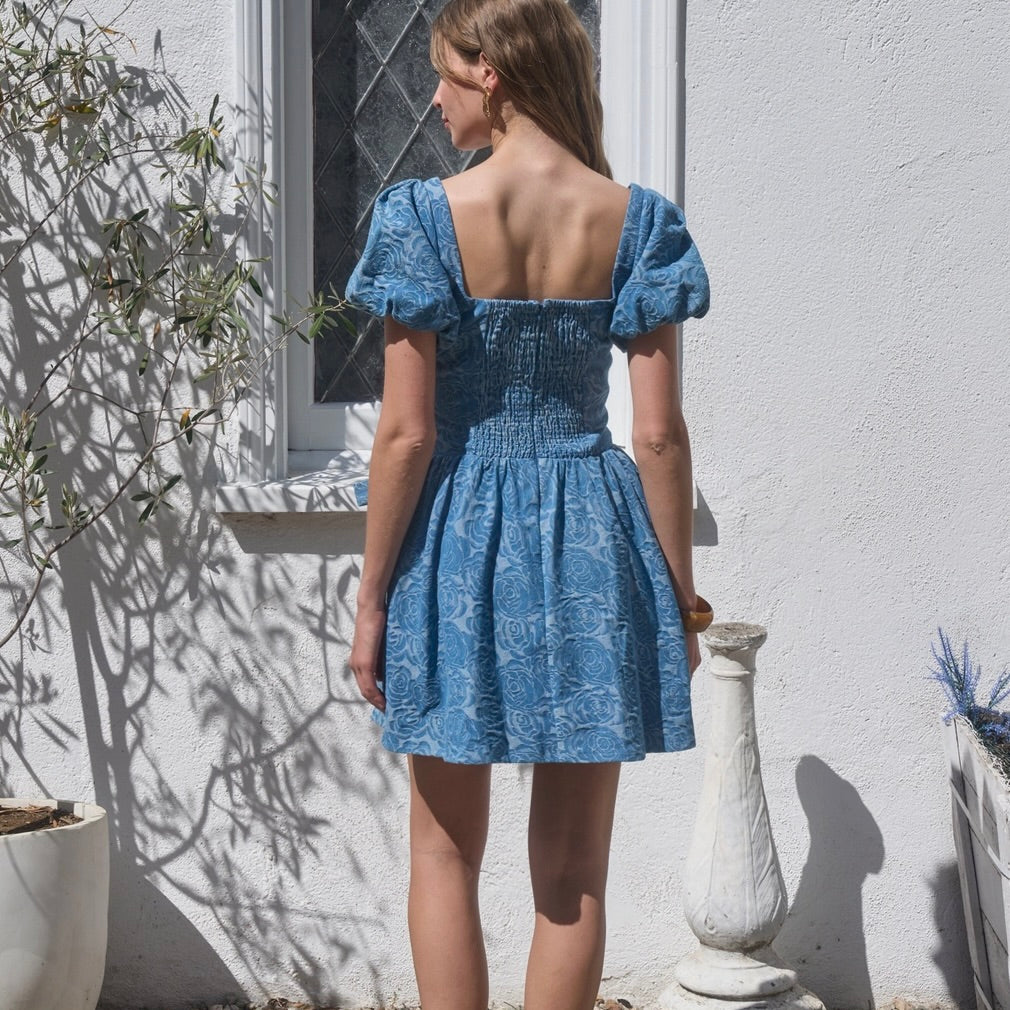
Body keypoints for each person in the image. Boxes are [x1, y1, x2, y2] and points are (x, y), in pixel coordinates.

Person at [345, 1, 712, 1007]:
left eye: (442, 73)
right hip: (594, 532)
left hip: (456, 537)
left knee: (442, 852)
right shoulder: (636, 220)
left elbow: (407, 434)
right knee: (570, 873)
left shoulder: (419, 218)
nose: (428, 95)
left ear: (492, 71)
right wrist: (680, 596)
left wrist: (372, 594)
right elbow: (655, 436)